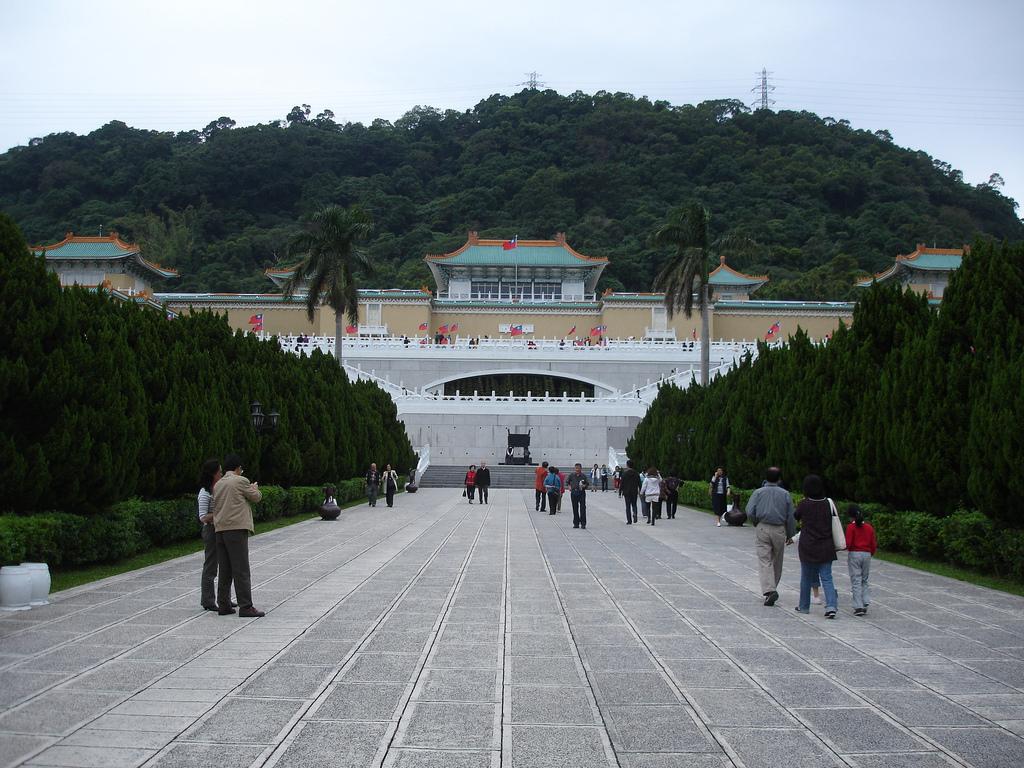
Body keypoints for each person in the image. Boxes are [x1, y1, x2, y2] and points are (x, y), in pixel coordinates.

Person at [211, 453, 264, 618]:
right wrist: (254, 488)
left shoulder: (218, 484)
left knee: (225, 569)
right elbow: (256, 497)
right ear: (238, 468)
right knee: (241, 569)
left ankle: (224, 604)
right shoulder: (241, 481)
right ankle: (246, 606)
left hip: (220, 529)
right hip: (236, 529)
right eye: (241, 469)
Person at [746, 466, 796, 607]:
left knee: (764, 560)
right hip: (779, 529)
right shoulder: (785, 494)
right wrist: (790, 534)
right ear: (779, 479)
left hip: (763, 527)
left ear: (766, 478)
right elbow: (790, 516)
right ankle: (772, 588)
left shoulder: (758, 492)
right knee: (777, 561)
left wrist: (756, 522)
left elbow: (749, 511)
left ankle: (769, 590)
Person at [793, 474, 838, 618]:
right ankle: (831, 606)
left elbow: (796, 516)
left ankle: (804, 606)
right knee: (827, 577)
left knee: (806, 577)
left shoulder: (804, 504)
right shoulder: (828, 503)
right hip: (826, 545)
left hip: (808, 545)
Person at [198, 458, 234, 611]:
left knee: (226, 565)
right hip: (211, 530)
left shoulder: (219, 488)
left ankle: (224, 598)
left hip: (223, 528)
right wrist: (219, 512)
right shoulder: (205, 492)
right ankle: (208, 600)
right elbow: (203, 517)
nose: (222, 473)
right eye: (219, 471)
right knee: (211, 566)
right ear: (213, 474)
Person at [845, 504, 876, 616]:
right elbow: (873, 544)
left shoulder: (850, 527)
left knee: (856, 580)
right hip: (867, 554)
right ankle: (865, 601)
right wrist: (870, 553)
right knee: (864, 579)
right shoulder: (869, 527)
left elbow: (848, 544)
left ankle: (858, 606)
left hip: (855, 554)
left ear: (850, 516)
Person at [568, 463, 590, 529]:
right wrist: (569, 487)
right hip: (574, 492)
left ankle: (583, 523)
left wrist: (584, 486)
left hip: (581, 493)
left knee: (583, 508)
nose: (577, 469)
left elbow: (587, 484)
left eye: (578, 468)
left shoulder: (583, 476)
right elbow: (567, 482)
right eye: (576, 468)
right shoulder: (572, 475)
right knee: (575, 508)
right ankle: (576, 523)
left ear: (581, 468)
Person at [620, 460, 641, 524]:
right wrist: (641, 490)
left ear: (627, 465)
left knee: (628, 506)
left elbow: (622, 483)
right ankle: (635, 513)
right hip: (634, 491)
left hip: (626, 492)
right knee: (634, 504)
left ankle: (629, 520)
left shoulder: (624, 473)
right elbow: (639, 483)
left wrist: (620, 491)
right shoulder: (636, 473)